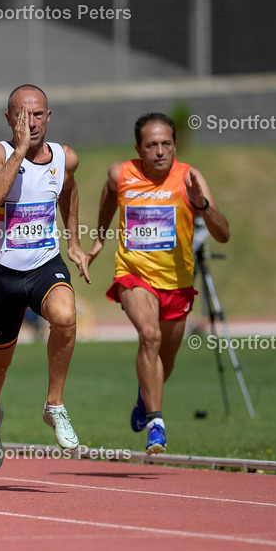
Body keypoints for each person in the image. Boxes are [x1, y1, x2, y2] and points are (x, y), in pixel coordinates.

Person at [87, 112, 229, 454]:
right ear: (139, 148)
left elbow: (223, 234)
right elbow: (109, 192)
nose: (160, 151)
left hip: (177, 283)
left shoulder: (190, 178)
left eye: (166, 144)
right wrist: (100, 236)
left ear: (175, 145)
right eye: (152, 145)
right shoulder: (121, 173)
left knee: (165, 361)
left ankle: (145, 394)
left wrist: (202, 205)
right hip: (134, 274)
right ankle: (156, 425)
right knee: (149, 336)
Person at [0, 84, 90, 471]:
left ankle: (54, 405)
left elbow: (69, 192)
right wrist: (21, 151)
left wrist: (74, 242)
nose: (32, 122)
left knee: (66, 316)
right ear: (9, 118)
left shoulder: (65, 157)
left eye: (38, 114)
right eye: (23, 115)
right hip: (3, 274)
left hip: (44, 264)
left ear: (49, 116)